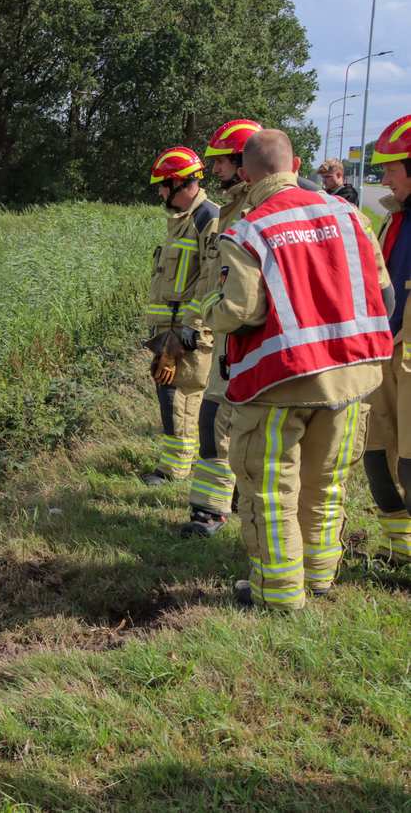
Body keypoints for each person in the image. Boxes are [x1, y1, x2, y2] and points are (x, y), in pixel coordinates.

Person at [208, 129, 393, 609]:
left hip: (279, 381)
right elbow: (384, 293)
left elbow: (239, 311)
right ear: (295, 164)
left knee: (271, 489)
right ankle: (320, 577)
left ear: (246, 174)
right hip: (352, 378)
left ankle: (279, 592)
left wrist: (207, 309)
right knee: (326, 482)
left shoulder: (249, 229)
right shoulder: (352, 215)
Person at [179, 119, 262, 537]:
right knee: (216, 421)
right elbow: (213, 275)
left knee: (225, 426)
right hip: (226, 337)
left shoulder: (256, 211)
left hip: (250, 341)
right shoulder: (231, 209)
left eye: (222, 163)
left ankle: (214, 512)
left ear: (243, 161)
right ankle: (215, 507)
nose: (216, 172)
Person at [140, 147, 219, 486]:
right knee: (168, 392)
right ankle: (175, 462)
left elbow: (211, 277)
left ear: (180, 183)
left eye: (163, 185)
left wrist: (192, 326)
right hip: (168, 328)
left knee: (182, 396)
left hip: (186, 330)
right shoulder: (182, 221)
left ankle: (175, 469)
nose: (160, 193)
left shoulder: (207, 218)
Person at [362, 114, 411, 565]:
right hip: (387, 354)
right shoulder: (395, 218)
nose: (384, 178)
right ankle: (400, 550)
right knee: (377, 461)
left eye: (392, 167)